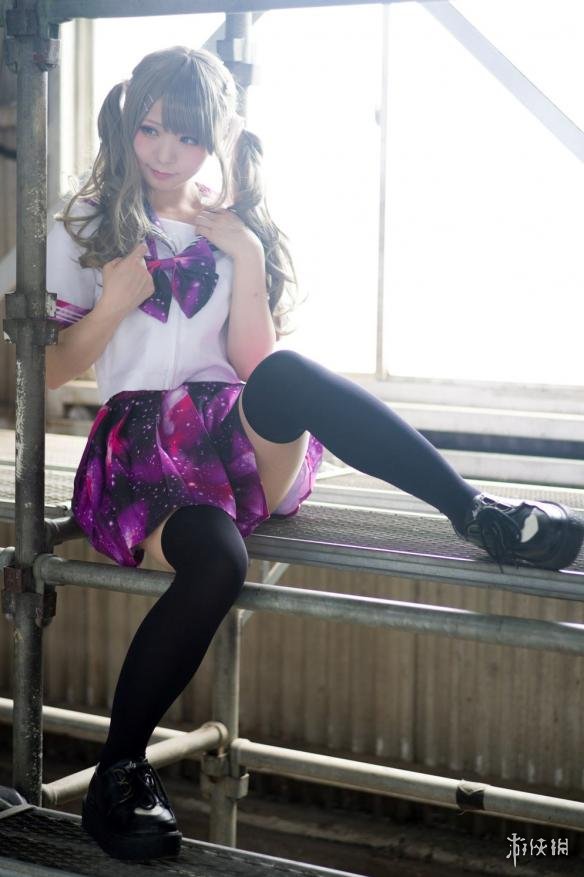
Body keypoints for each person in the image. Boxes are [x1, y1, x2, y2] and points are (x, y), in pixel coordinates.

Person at [46, 45, 583, 862]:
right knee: (220, 560)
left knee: (290, 373)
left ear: (217, 138)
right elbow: (49, 368)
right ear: (127, 121)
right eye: (149, 129)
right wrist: (113, 303)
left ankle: (481, 516)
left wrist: (247, 256)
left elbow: (255, 364)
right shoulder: (84, 221)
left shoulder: (228, 223)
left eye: (187, 137)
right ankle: (120, 772)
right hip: (143, 458)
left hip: (229, 440)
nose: (164, 152)